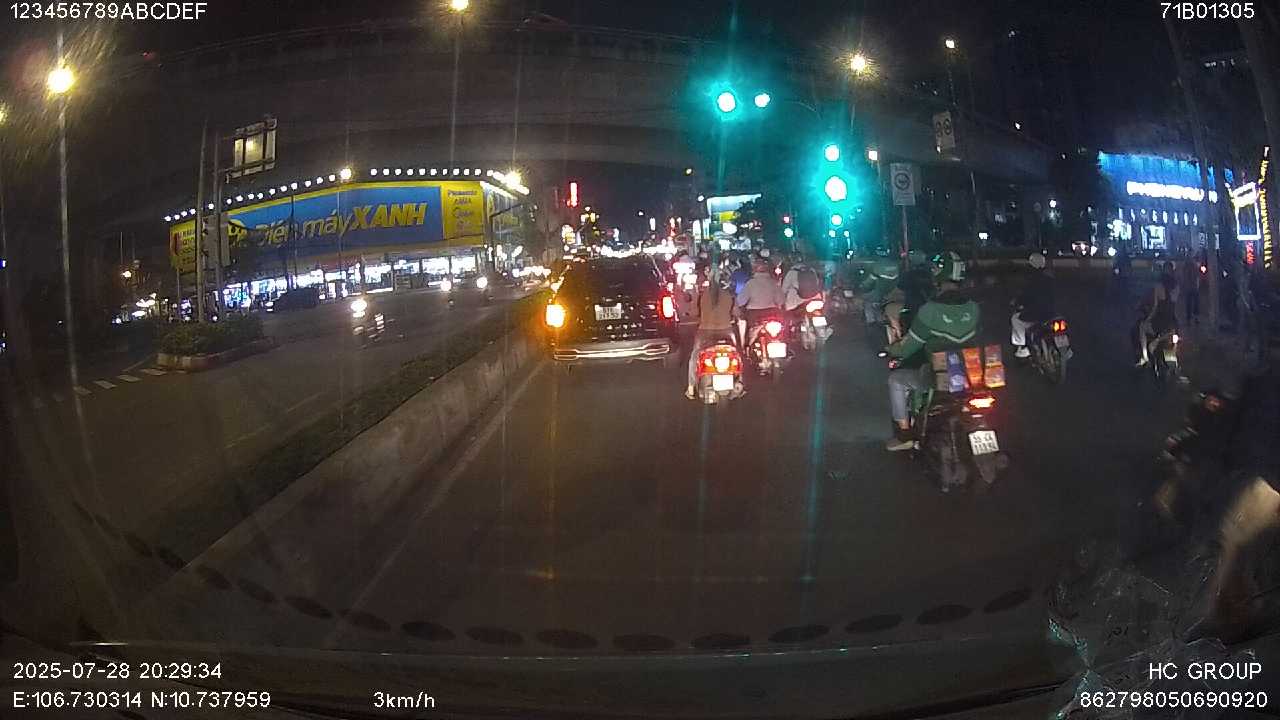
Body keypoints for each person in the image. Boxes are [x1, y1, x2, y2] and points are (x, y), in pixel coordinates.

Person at [884, 252, 980, 451]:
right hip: (973, 375)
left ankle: (905, 435)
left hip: (939, 376)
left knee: (896, 380)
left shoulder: (930, 311)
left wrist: (891, 349)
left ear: (938, 274)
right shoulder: (974, 308)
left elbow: (908, 347)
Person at [685, 268, 741, 400]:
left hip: (705, 332)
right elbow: (736, 313)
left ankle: (691, 386)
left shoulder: (701, 295)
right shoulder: (729, 295)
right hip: (726, 332)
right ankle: (740, 382)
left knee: (695, 357)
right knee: (736, 354)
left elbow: (694, 313)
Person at [1010, 252, 1056, 358]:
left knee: (1015, 319)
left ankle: (1022, 346)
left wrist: (1017, 302)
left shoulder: (1031, 281)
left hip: (1035, 314)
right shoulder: (1050, 279)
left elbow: (1024, 298)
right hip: (1051, 313)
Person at [1135, 261, 1178, 367]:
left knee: (1142, 327)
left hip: (1160, 320)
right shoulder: (1176, 286)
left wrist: (1148, 319)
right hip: (1172, 321)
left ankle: (1145, 357)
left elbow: (1155, 307)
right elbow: (1174, 304)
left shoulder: (1158, 286)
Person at [736, 259, 785, 348]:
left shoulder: (750, 284)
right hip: (772, 314)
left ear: (754, 270)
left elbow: (740, 301)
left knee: (747, 338)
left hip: (754, 316)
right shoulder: (773, 283)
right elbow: (781, 300)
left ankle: (746, 348)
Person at [859, 257, 902, 327]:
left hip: (878, 292)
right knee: (877, 304)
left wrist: (862, 286)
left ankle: (871, 321)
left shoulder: (878, 267)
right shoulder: (895, 266)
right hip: (890, 292)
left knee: (867, 302)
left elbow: (869, 282)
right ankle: (880, 320)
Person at [781, 253, 823, 317]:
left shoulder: (791, 272)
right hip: (813, 299)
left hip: (796, 303)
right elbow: (817, 282)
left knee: (786, 314)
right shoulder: (811, 270)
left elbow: (784, 290)